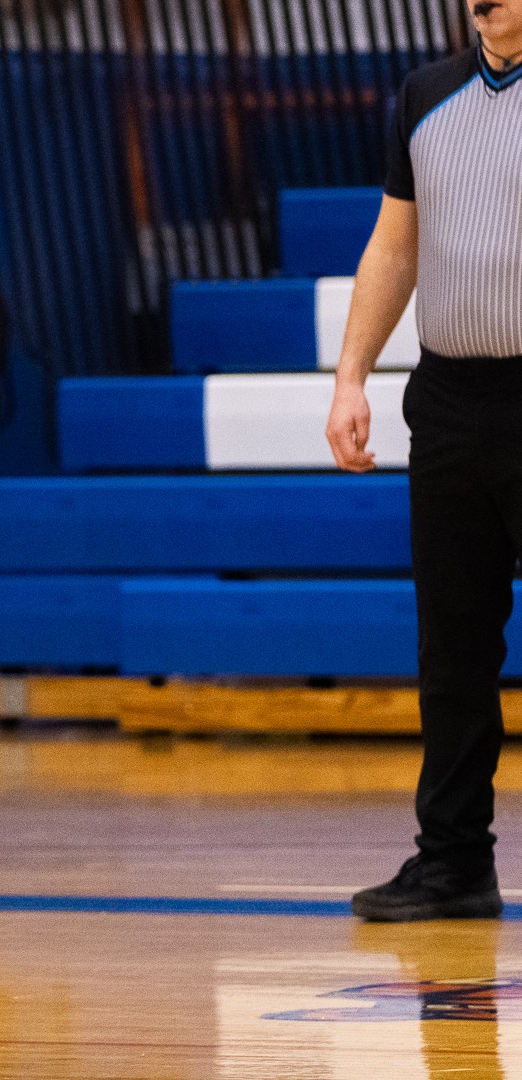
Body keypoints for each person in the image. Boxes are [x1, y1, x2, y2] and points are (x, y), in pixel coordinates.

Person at [327, 0, 522, 921]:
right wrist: (350, 378)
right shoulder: (424, 95)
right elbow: (394, 246)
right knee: (452, 649)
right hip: (447, 403)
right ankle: (452, 863)